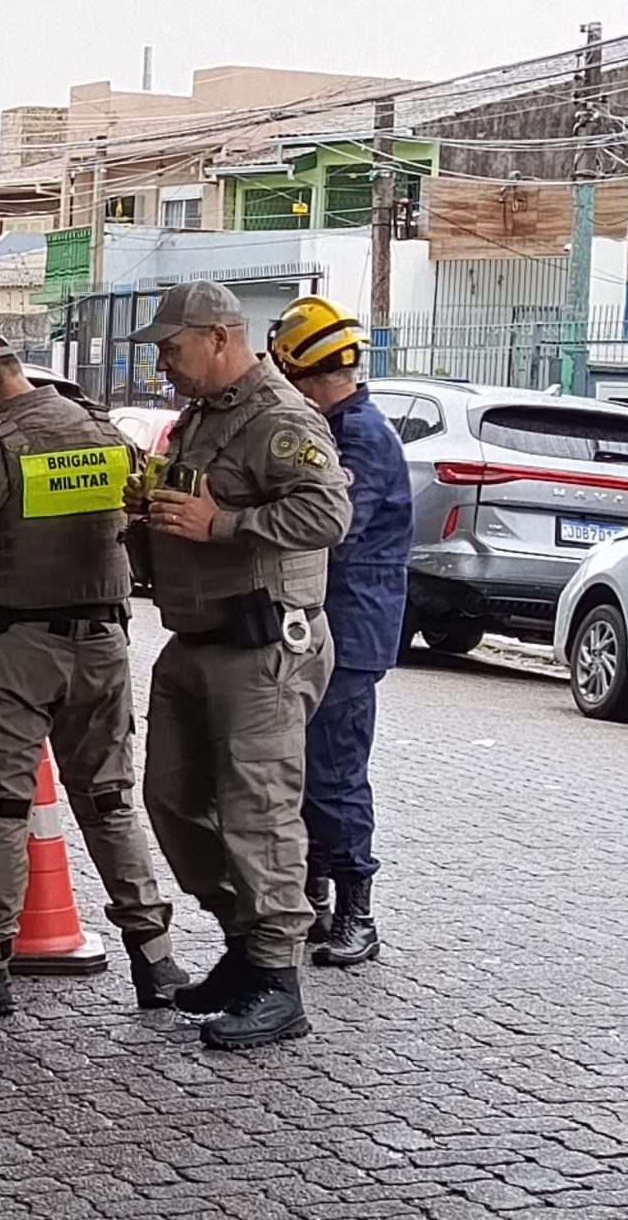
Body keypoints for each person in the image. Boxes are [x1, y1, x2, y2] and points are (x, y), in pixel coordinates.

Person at [0, 330, 188, 1016]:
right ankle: (155, 962)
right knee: (109, 800)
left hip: (12, 646)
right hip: (103, 642)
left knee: (5, 808)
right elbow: (145, 531)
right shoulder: (106, 432)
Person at [130, 280, 352, 1051]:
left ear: (219, 337)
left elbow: (328, 513)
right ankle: (243, 943)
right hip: (196, 639)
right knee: (172, 798)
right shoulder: (204, 418)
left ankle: (279, 980)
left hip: (260, 648)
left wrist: (222, 523)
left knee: (259, 812)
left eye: (172, 346)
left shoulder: (280, 418)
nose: (164, 362)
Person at [266, 297, 411, 968]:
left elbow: (333, 526)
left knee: (334, 770)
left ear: (302, 374)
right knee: (299, 768)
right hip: (324, 621)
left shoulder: (361, 438)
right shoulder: (334, 429)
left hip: (350, 630)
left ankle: (356, 911)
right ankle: (313, 900)